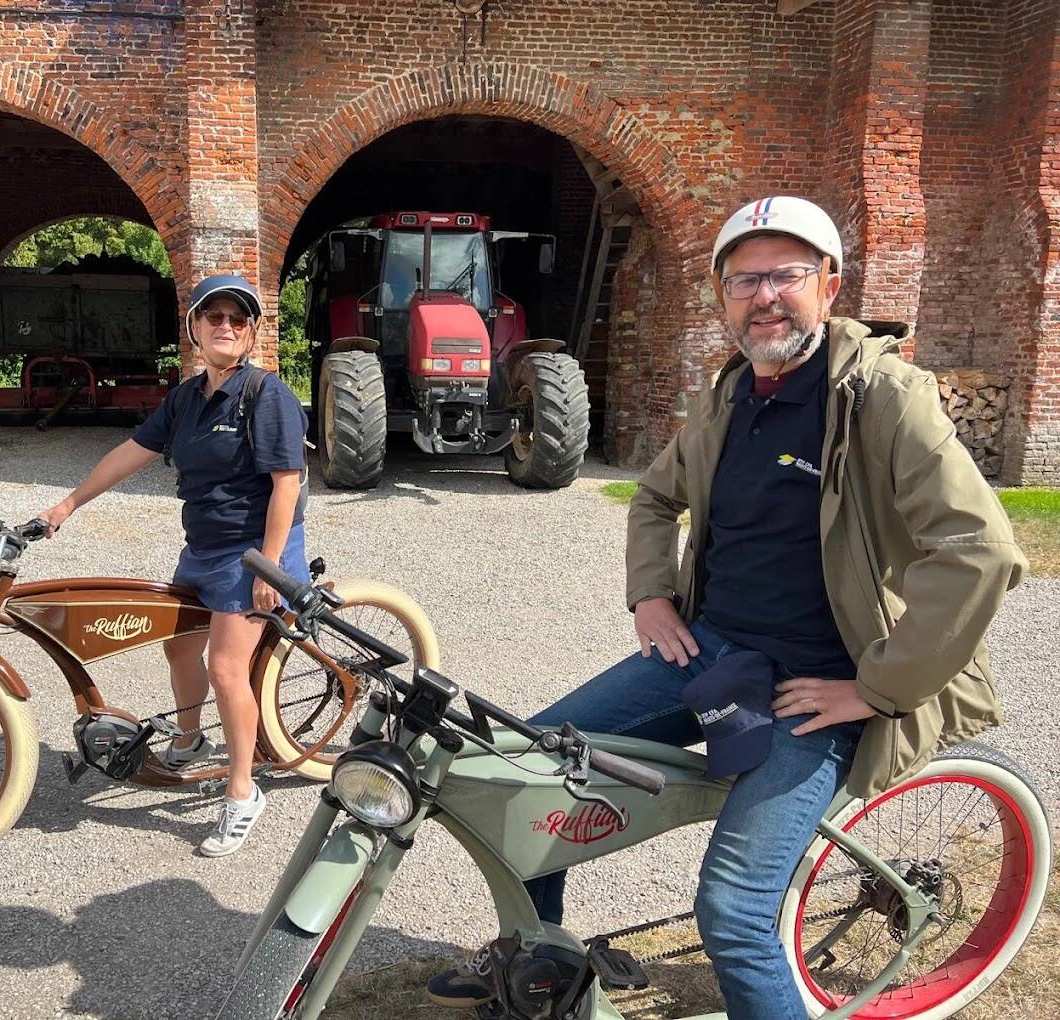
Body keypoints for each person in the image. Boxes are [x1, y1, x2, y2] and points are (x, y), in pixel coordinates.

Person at [427, 196, 1027, 1017]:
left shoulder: (883, 399)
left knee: (737, 914)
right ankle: (535, 972)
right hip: (710, 653)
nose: (765, 296)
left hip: (817, 690)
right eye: (745, 279)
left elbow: (980, 552)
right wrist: (651, 595)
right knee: (527, 771)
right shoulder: (730, 395)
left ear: (830, 285)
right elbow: (652, 498)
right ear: (722, 297)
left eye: (787, 274)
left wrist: (877, 688)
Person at [37, 273, 309, 858]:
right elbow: (130, 453)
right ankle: (190, 738)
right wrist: (68, 504)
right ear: (194, 328)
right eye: (215, 317)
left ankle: (242, 793)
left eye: (239, 319)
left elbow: (287, 483)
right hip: (205, 547)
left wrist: (267, 569)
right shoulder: (186, 398)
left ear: (254, 331)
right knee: (177, 643)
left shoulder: (268, 396)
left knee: (226, 668)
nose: (226, 327)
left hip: (256, 548)